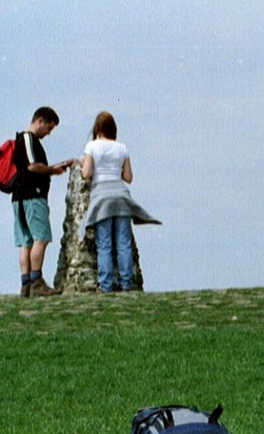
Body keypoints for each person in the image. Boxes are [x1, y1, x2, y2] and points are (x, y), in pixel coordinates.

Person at [77, 111, 160, 292]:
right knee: (123, 243)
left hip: (102, 197)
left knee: (104, 243)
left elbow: (87, 173)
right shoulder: (122, 148)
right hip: (122, 196)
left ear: (97, 129)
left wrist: (84, 163)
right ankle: (126, 285)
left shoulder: (92, 146)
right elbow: (128, 177)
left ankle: (105, 286)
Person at [12, 106, 74, 297]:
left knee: (26, 242)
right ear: (40, 121)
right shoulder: (28, 139)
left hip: (19, 199)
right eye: (49, 128)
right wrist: (53, 170)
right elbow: (33, 166)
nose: (48, 133)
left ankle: (26, 284)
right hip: (32, 195)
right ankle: (37, 281)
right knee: (41, 238)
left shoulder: (20, 141)